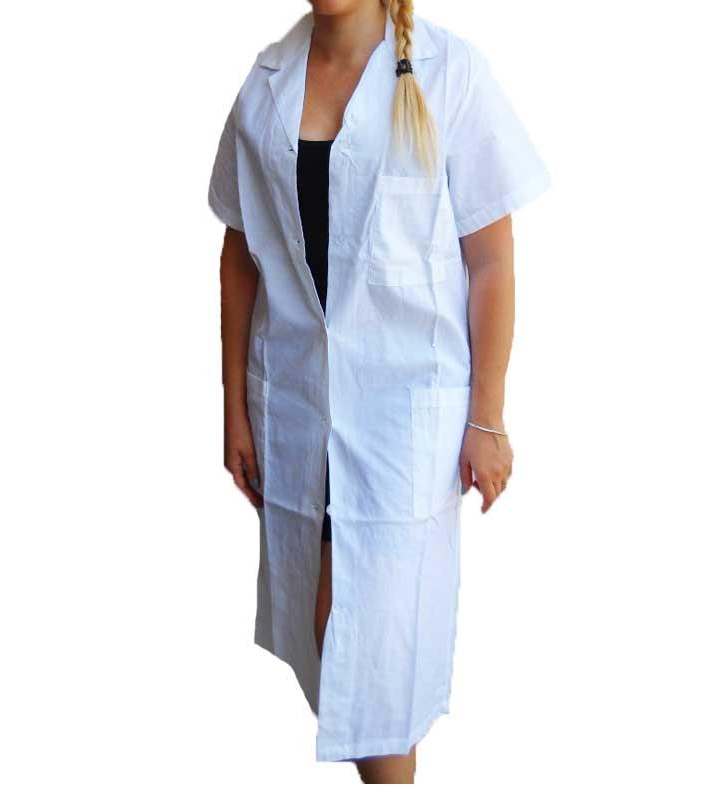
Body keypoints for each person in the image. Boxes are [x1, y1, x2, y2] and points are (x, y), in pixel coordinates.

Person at [209, 0, 551, 784]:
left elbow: (491, 260)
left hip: (405, 414)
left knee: (380, 651)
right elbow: (240, 254)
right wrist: (233, 409)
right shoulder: (266, 84)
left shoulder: (449, 72)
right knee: (330, 632)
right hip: (298, 404)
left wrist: (488, 419)